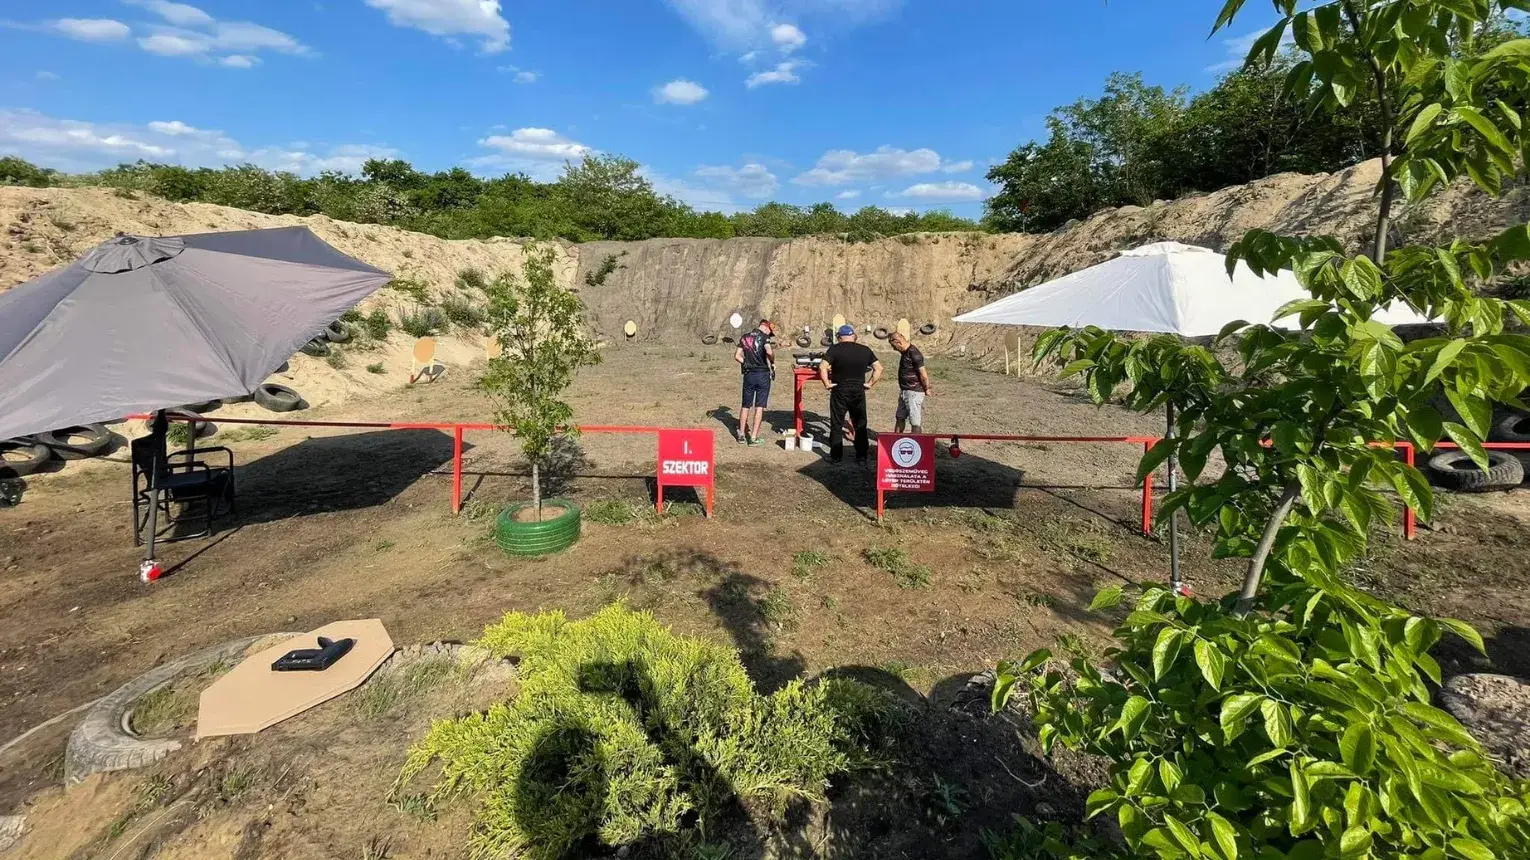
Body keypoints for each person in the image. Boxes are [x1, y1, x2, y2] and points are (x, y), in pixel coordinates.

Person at [819, 324, 882, 464]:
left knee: (837, 423)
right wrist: (870, 383)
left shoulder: (834, 349)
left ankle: (836, 457)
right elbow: (878, 368)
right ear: (853, 336)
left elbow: (822, 367)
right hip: (858, 390)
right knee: (860, 424)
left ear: (840, 337)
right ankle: (862, 457)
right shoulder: (865, 350)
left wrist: (827, 384)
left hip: (840, 390)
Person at [734, 319, 776, 445]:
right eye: (769, 332)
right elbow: (769, 351)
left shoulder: (744, 337)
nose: (769, 334)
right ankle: (753, 438)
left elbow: (737, 356)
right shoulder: (765, 338)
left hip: (749, 375)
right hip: (762, 375)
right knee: (759, 406)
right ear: (766, 328)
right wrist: (772, 361)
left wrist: (746, 363)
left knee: (745, 405)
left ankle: (741, 435)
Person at [889, 332, 932, 433]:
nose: (893, 349)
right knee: (900, 417)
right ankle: (896, 439)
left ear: (898, 342)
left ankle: (917, 441)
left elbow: (923, 374)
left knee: (915, 421)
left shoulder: (914, 353)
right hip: (905, 391)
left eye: (893, 346)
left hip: (914, 392)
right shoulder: (905, 352)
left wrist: (927, 388)